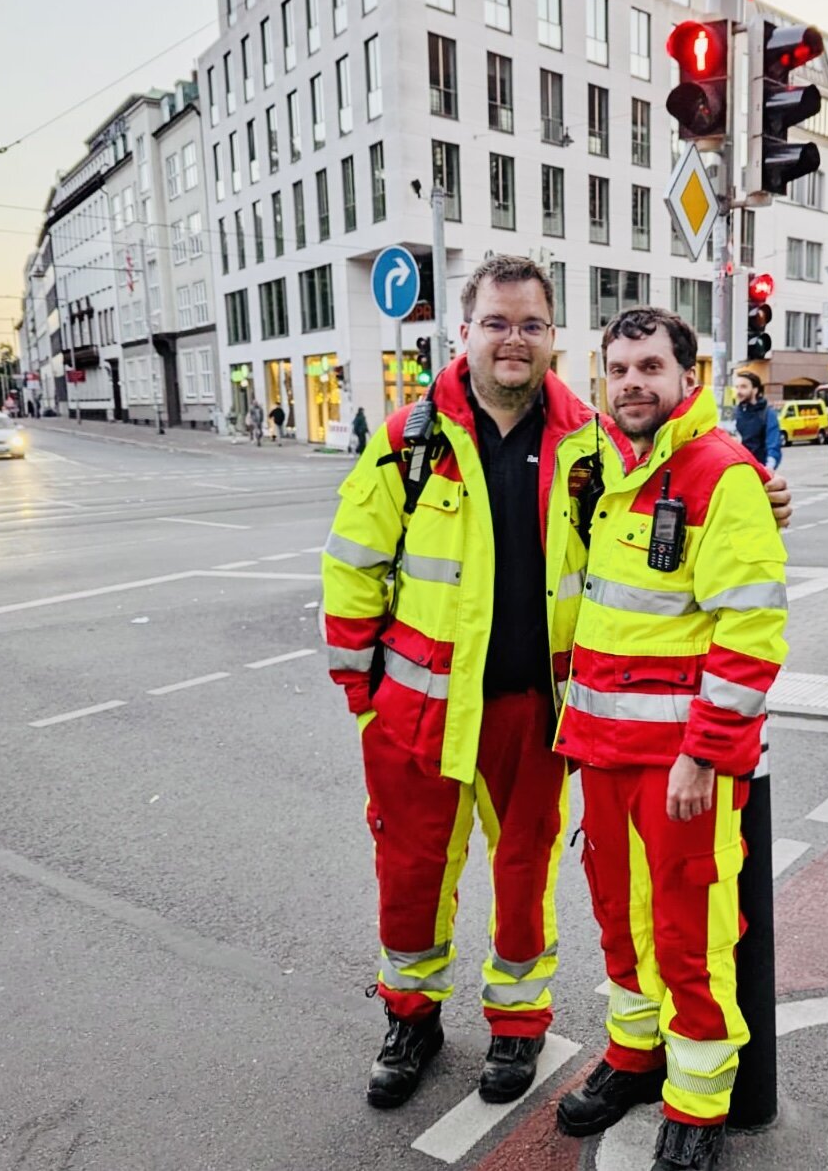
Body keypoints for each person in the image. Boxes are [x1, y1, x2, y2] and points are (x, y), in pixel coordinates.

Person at [322, 256, 795, 1114]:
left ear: (551, 339)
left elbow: (675, 478)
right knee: (410, 872)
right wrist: (363, 697)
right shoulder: (407, 439)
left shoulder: (593, 443)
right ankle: (410, 1017)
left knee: (524, 873)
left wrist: (759, 491)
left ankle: (517, 1023)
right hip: (418, 710)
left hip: (538, 709)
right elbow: (352, 566)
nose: (514, 339)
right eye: (497, 322)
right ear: (465, 331)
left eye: (532, 325)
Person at [555, 308, 787, 1171]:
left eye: (650, 367)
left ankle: (697, 1103)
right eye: (618, 369)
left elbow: (750, 630)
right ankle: (633, 1053)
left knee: (692, 933)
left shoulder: (720, 474)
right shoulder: (598, 464)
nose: (632, 383)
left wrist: (704, 753)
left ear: (689, 377)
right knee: (620, 920)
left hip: (680, 766)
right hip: (603, 752)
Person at [732, 370, 781, 470]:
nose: (738, 391)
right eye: (737, 387)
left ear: (755, 390)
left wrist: (769, 468)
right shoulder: (733, 412)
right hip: (735, 468)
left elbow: (773, 444)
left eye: (743, 387)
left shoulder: (767, 413)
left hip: (758, 469)